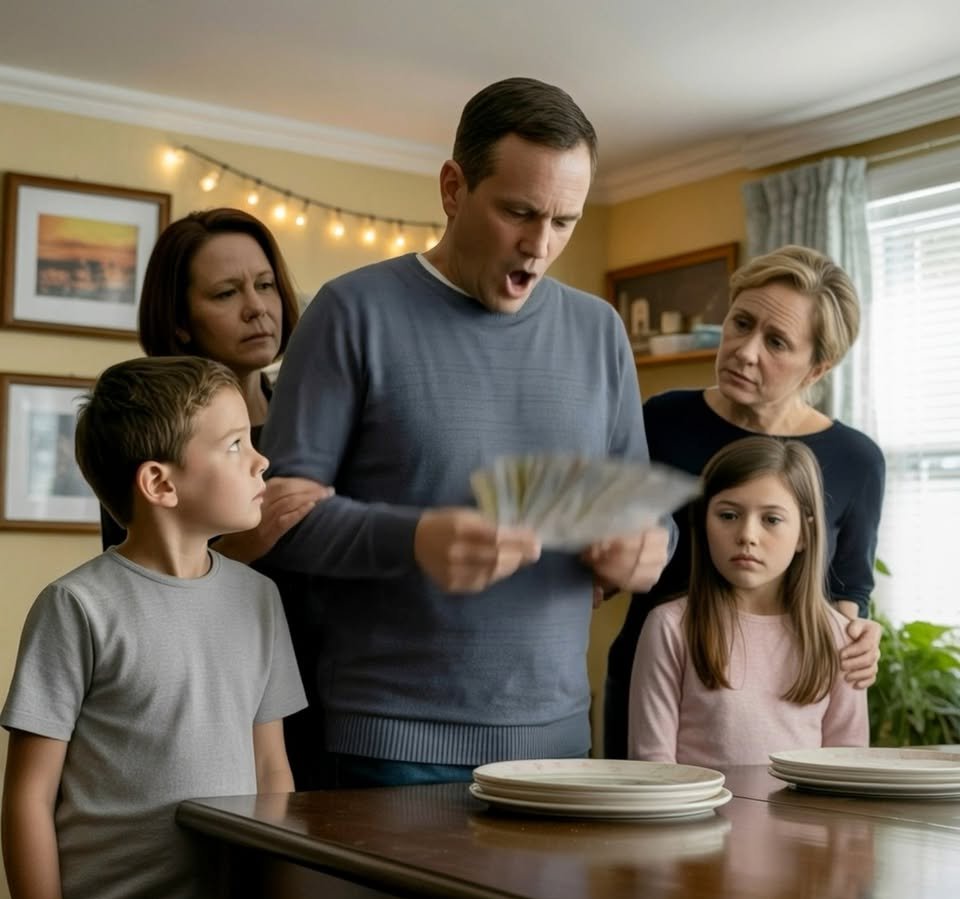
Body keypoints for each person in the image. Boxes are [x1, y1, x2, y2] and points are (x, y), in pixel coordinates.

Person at [257, 76, 672, 788]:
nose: (540, 246)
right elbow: (276, 522)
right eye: (519, 212)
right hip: (386, 745)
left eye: (565, 221)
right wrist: (414, 538)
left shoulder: (599, 330)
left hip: (562, 743)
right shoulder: (350, 311)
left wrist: (647, 547)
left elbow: (640, 508)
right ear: (453, 188)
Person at [1, 357, 308, 899]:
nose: (262, 460)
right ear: (160, 484)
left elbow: (273, 776)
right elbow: (28, 798)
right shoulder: (76, 607)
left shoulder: (260, 600)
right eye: (235, 445)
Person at [605, 244, 885, 758]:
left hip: (784, 708)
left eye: (776, 341)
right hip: (655, 689)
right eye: (741, 323)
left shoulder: (856, 461)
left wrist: (860, 639)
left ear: (816, 369)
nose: (745, 350)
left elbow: (847, 592)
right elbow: (610, 552)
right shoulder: (661, 423)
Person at [100, 207, 330, 561]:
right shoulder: (143, 431)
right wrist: (242, 546)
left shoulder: (319, 418)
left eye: (265, 285)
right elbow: (136, 586)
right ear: (180, 321)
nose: (257, 308)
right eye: (226, 293)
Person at [628, 436, 869, 766]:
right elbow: (653, 765)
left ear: (804, 534)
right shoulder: (669, 626)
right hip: (695, 817)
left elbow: (848, 766)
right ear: (703, 522)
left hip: (805, 819)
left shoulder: (842, 639)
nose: (747, 535)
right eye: (728, 515)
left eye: (771, 519)